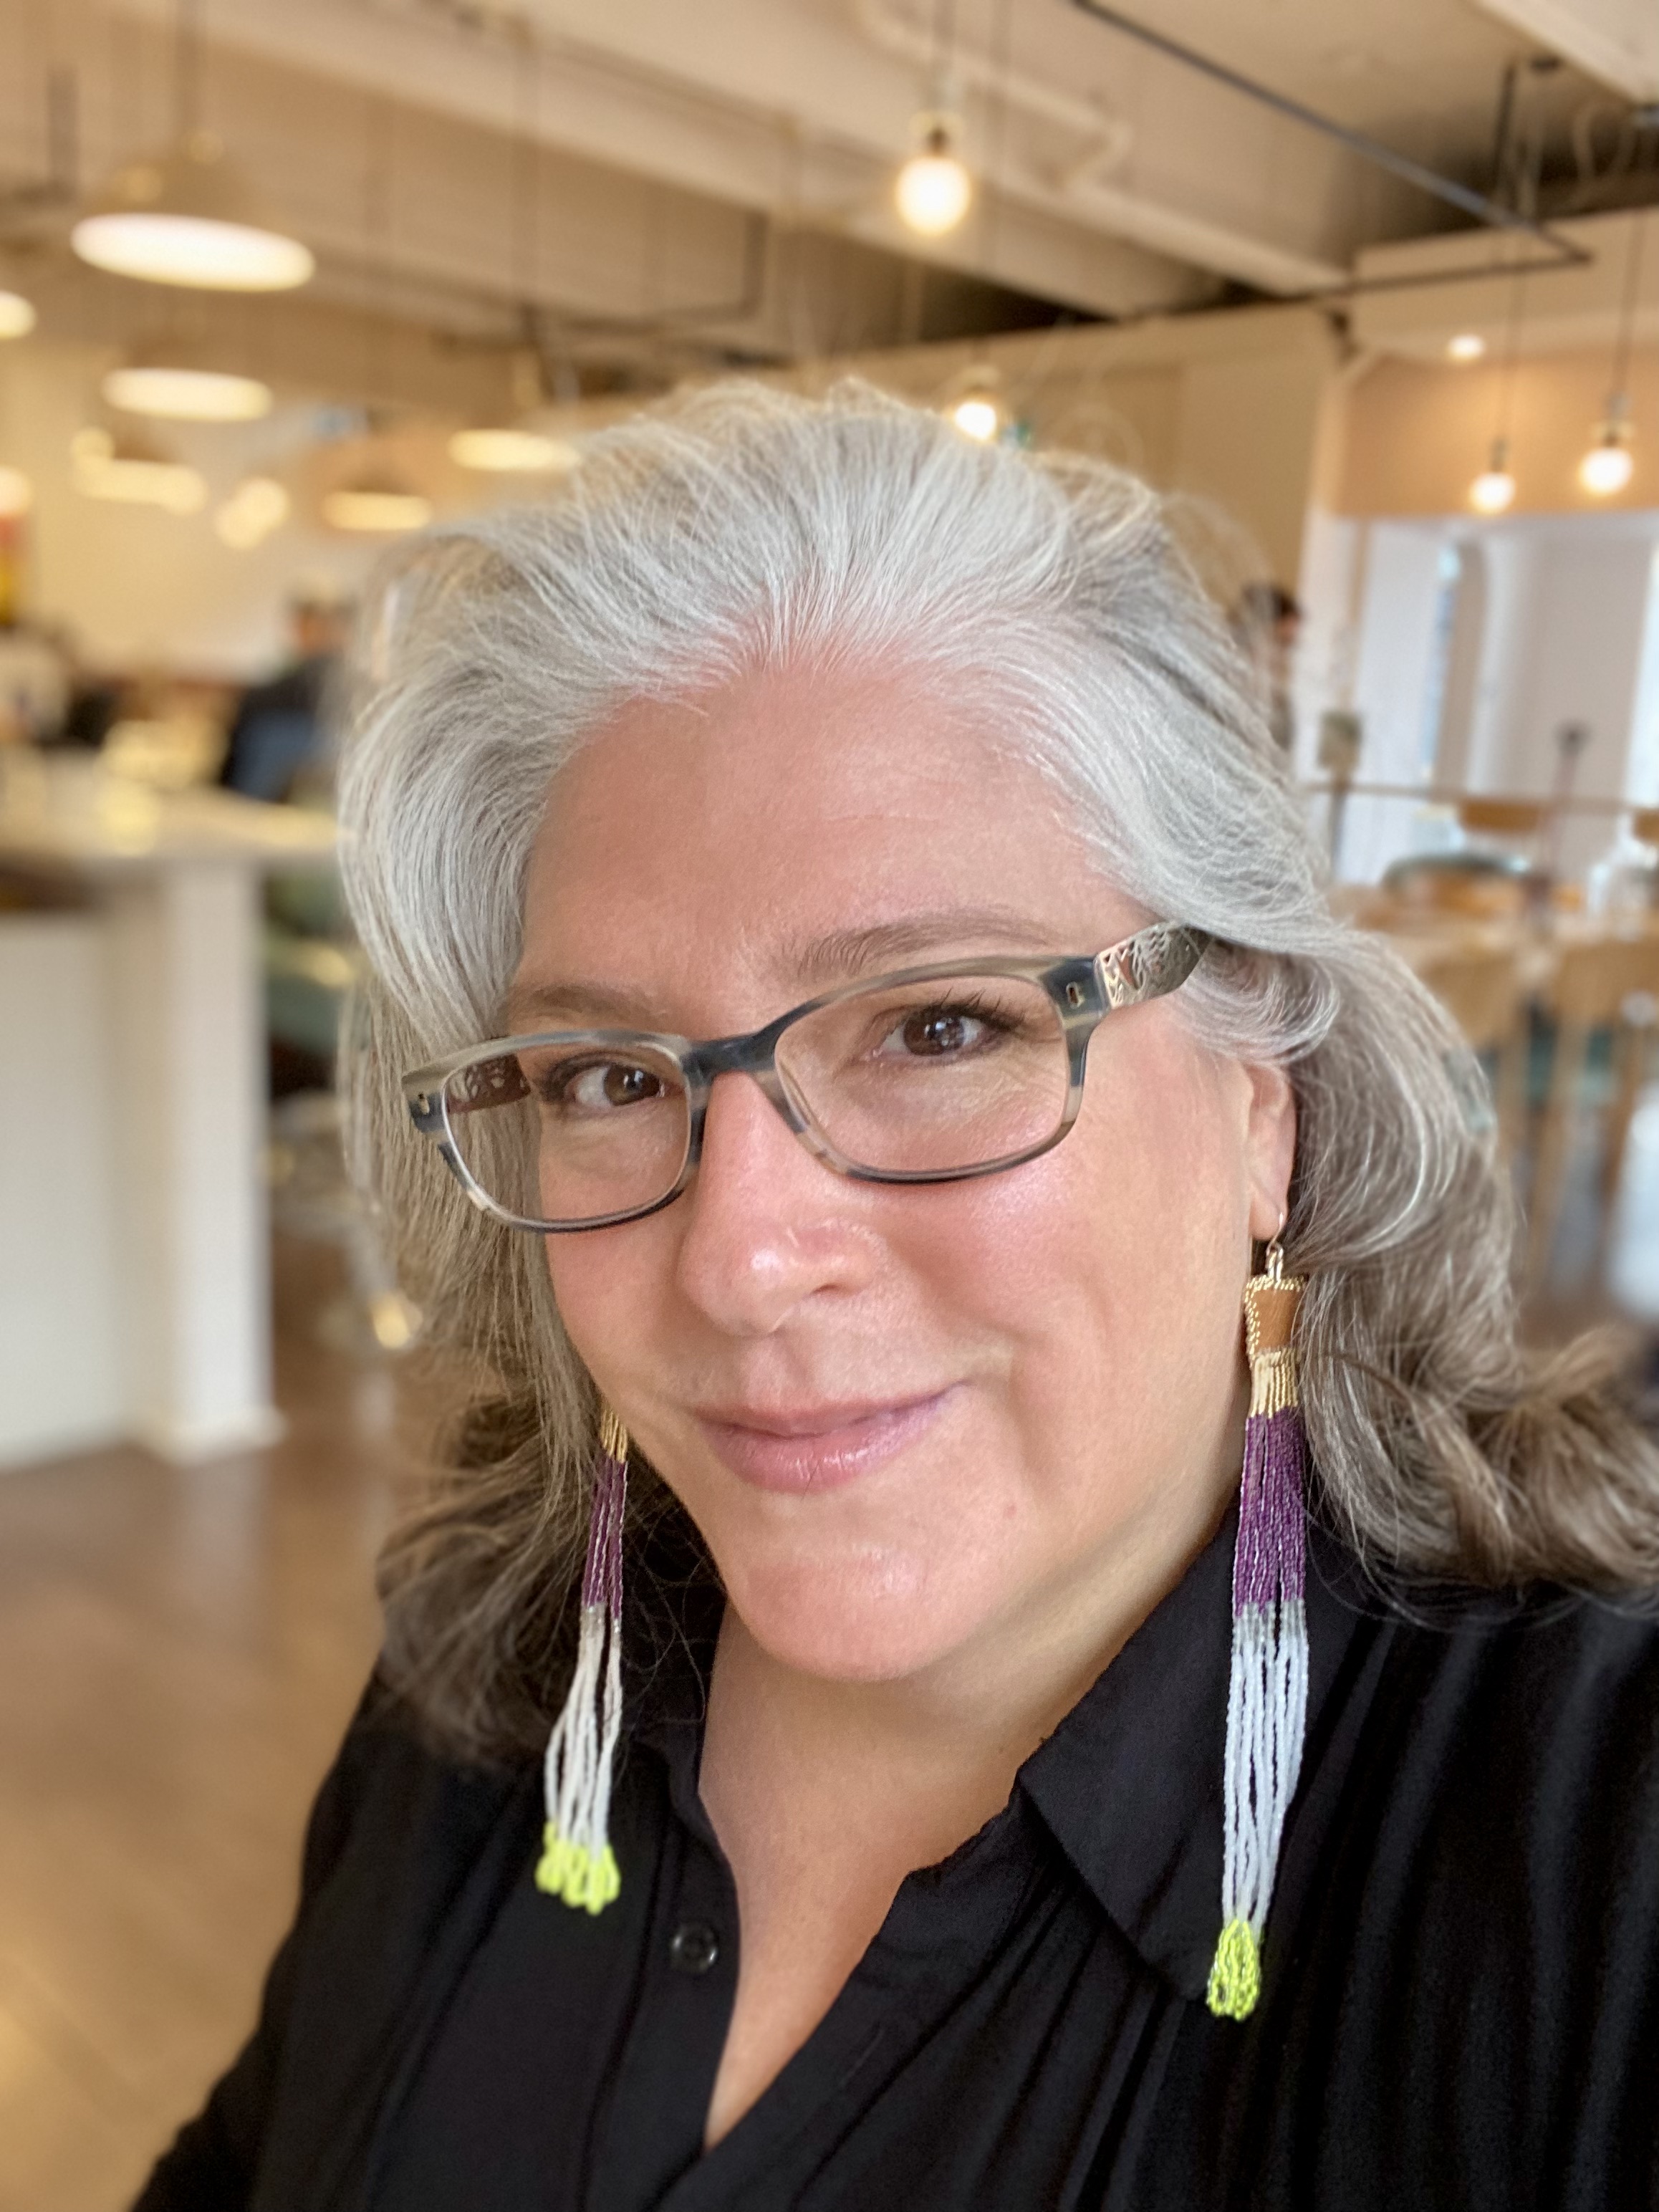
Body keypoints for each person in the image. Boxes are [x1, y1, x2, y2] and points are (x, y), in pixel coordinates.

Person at [135, 385, 1659, 2212]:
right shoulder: (489, 1679)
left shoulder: (1593, 1866)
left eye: (943, 1027)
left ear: (1262, 1113)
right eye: (610, 1077)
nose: (738, 1255)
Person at [220, 586, 352, 803]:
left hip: (252, 810)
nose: (321, 633)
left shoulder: (270, 695)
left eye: (327, 626)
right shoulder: (362, 691)